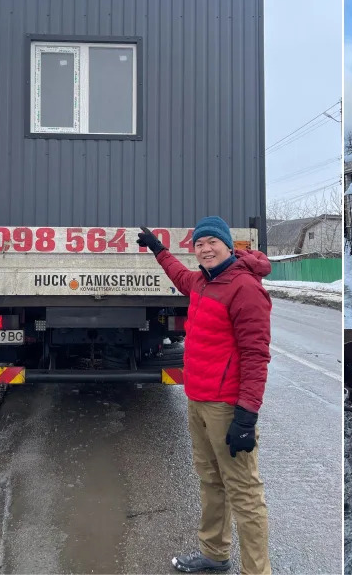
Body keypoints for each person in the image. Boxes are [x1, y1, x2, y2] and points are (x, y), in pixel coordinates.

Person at [138, 217, 273, 575]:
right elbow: (180, 276)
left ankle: (256, 571)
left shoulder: (244, 288)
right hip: (197, 400)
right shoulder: (201, 282)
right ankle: (214, 554)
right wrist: (158, 249)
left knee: (243, 492)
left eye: (212, 242)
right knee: (211, 481)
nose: (205, 249)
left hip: (227, 407)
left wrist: (247, 415)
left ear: (229, 246)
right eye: (199, 244)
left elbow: (256, 355)